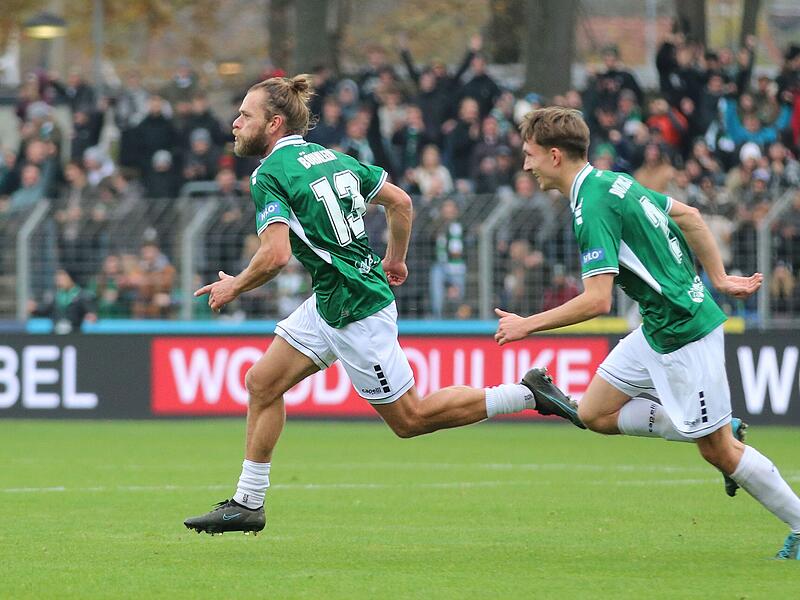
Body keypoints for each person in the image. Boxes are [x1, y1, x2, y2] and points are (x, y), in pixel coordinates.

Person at [183, 75, 581, 536]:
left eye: (245, 116)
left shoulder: (269, 174)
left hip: (355, 308)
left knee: (410, 419)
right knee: (263, 383)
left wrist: (235, 286)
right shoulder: (334, 158)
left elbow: (275, 255)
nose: (234, 123)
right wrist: (395, 259)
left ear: (272, 124)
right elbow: (401, 201)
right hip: (333, 297)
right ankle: (247, 503)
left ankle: (529, 393)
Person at [494, 106, 800, 560]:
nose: (525, 164)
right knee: (594, 413)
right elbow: (691, 215)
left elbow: (597, 300)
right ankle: (718, 426)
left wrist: (528, 324)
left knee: (717, 452)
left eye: (530, 154)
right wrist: (717, 277)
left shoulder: (592, 204)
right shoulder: (614, 182)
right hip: (657, 327)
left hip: (683, 333)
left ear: (555, 156)